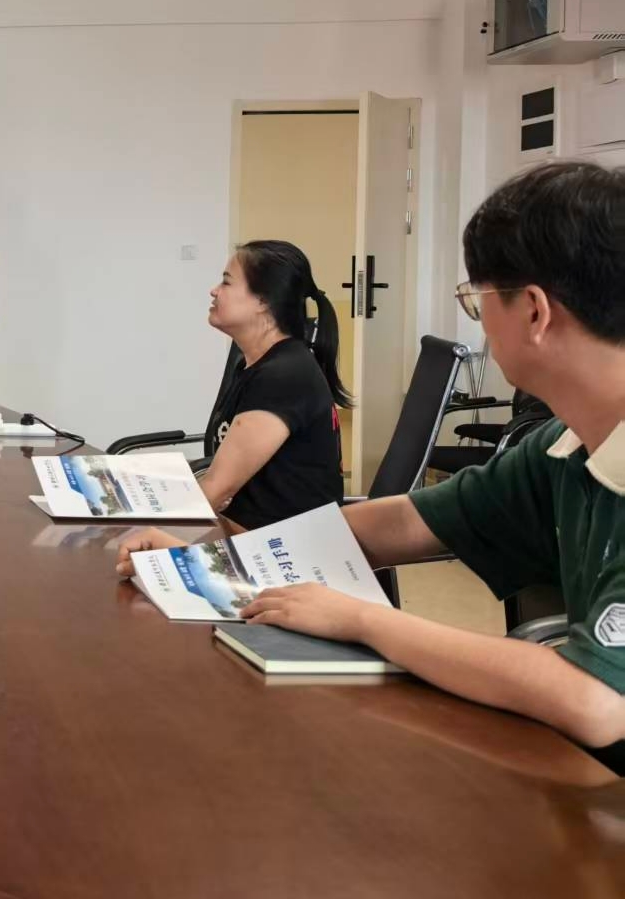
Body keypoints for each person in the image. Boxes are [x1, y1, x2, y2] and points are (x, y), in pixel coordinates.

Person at [118, 162, 625, 764]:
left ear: (534, 312)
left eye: (477, 301)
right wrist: (214, 561)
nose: (481, 324)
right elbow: (406, 522)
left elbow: (597, 699)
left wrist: (361, 620)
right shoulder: (561, 447)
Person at [199, 240, 348, 527]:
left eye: (226, 282)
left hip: (281, 547)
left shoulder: (283, 376)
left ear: (264, 300)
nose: (214, 291)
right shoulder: (257, 365)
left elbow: (217, 489)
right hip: (254, 533)